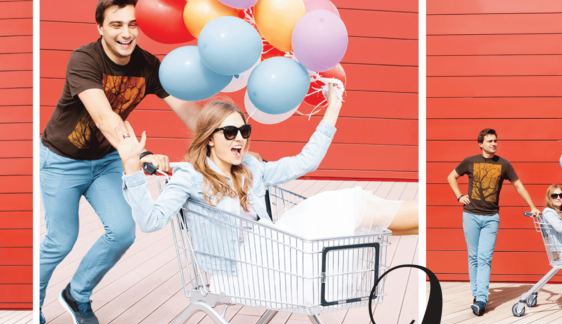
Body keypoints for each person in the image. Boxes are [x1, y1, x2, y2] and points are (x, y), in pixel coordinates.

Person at [37, 0, 262, 324]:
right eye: (116, 25)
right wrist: (137, 154)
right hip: (62, 160)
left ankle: (77, 294)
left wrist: (227, 138)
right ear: (100, 27)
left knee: (123, 232)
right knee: (61, 240)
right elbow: (103, 116)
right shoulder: (84, 59)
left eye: (132, 25)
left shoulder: (147, 65)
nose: (126, 33)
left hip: (106, 161)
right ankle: (33, 302)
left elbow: (188, 110)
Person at [115, 82, 420, 309]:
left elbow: (306, 162)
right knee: (354, 209)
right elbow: (151, 221)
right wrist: (132, 168)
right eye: (229, 133)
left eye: (244, 131)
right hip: (244, 270)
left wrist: (334, 104)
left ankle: (427, 218)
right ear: (208, 140)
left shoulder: (251, 167)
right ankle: (430, 216)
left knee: (358, 208)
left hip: (276, 252)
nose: (240, 140)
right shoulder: (189, 176)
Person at [447, 129, 540, 317]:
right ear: (480, 144)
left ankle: (481, 299)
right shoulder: (470, 161)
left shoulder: (503, 164)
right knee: (473, 257)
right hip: (470, 215)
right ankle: (477, 295)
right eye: (490, 141)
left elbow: (518, 185)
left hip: (491, 218)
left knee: (484, 258)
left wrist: (532, 206)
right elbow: (451, 177)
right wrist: (459, 196)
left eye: (495, 141)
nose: (494, 144)